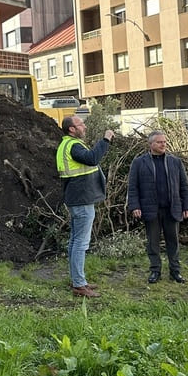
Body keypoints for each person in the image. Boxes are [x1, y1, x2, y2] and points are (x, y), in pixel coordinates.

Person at [56, 116, 114, 298]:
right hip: (81, 201)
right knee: (80, 243)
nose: (85, 126)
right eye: (81, 124)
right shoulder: (73, 146)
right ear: (72, 129)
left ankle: (78, 280)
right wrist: (105, 140)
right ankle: (79, 285)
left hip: (77, 199)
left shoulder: (68, 145)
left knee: (75, 242)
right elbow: (92, 159)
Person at [127, 131, 188, 284]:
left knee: (173, 242)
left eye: (164, 141)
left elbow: (184, 186)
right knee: (153, 243)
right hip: (151, 209)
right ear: (150, 145)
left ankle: (175, 271)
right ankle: (155, 271)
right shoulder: (139, 163)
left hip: (172, 209)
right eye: (159, 142)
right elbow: (133, 187)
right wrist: (134, 206)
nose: (163, 144)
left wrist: (187, 206)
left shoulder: (175, 162)